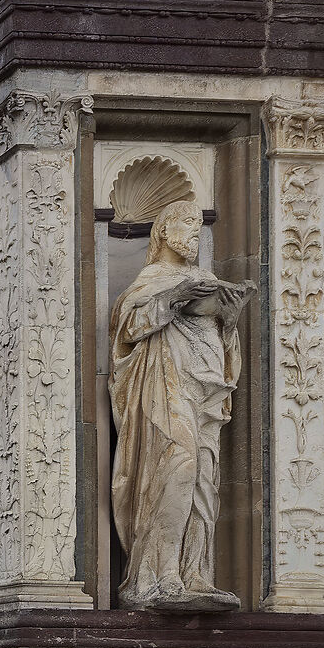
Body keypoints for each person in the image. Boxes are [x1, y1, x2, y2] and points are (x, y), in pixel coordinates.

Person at [110, 197, 254, 608]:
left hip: (204, 395)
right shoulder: (149, 282)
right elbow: (128, 329)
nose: (195, 230)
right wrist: (174, 298)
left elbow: (227, 350)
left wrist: (229, 320)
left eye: (198, 223)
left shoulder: (205, 278)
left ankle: (195, 573)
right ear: (163, 231)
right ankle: (156, 576)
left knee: (205, 482)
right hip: (164, 392)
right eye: (186, 222)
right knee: (177, 467)